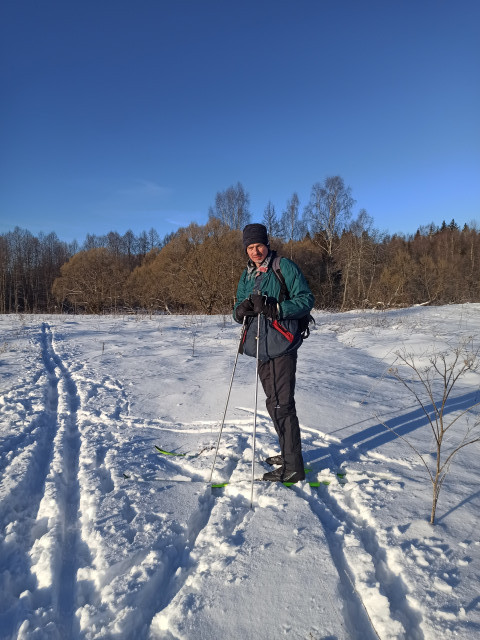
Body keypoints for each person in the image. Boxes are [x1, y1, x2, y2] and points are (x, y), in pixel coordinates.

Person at [233, 223, 314, 483]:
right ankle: (287, 453)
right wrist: (240, 311)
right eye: (250, 247)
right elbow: (236, 306)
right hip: (260, 346)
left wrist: (275, 307)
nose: (255, 252)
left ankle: (294, 468)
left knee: (282, 404)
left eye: (259, 246)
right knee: (273, 403)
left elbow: (305, 299)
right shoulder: (247, 274)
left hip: (282, 343)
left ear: (267, 244)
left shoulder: (283, 266)